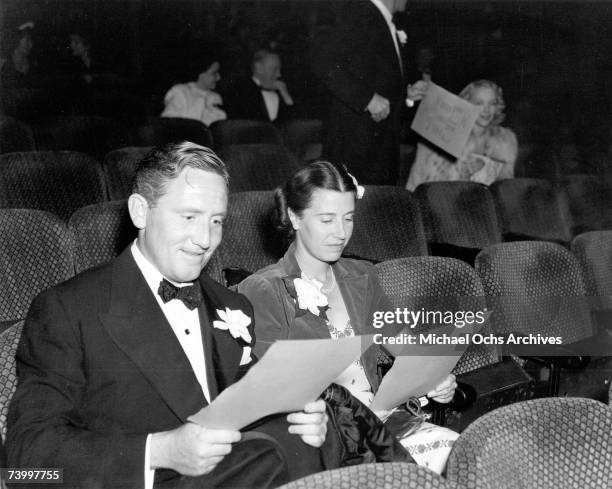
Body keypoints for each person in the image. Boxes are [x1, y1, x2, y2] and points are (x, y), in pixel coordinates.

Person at [6, 142, 339, 489]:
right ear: (140, 212)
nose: (204, 240)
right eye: (189, 217)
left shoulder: (234, 306)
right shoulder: (67, 309)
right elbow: (23, 460)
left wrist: (291, 417)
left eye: (216, 221)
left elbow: (244, 417)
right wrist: (158, 452)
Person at [237, 161, 459, 473]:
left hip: (382, 425)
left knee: (466, 454)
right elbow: (266, 396)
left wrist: (434, 376)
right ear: (294, 217)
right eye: (327, 220)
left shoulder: (362, 276)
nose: (341, 233)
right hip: (324, 444)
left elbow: (404, 345)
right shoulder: (264, 289)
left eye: (348, 218)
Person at [311, 0, 428, 185]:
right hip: (356, 147)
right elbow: (325, 63)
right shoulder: (360, 12)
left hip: (378, 148)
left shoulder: (381, 20)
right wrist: (366, 99)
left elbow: (376, 79)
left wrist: (408, 94)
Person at [406, 79, 518, 191]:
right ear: (466, 103)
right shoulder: (445, 134)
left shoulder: (505, 142)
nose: (487, 110)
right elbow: (426, 185)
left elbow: (505, 191)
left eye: (492, 103)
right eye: (479, 103)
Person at [222, 48, 294, 123]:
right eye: (274, 69)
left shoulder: (281, 93)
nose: (279, 74)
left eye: (279, 69)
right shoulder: (239, 92)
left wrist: (286, 97)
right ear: (258, 68)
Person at [161, 54, 227, 127]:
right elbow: (167, 123)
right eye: (214, 73)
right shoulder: (180, 91)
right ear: (201, 74)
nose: (218, 77)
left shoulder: (216, 97)